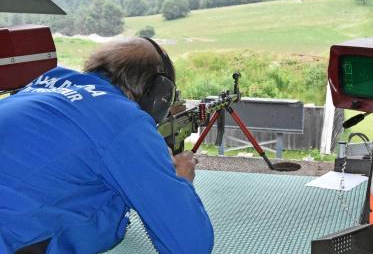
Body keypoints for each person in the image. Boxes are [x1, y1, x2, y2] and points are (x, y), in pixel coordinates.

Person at [0, 38, 214, 254]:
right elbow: (190, 246)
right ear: (160, 93)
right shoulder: (125, 120)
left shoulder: (50, 80)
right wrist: (181, 181)